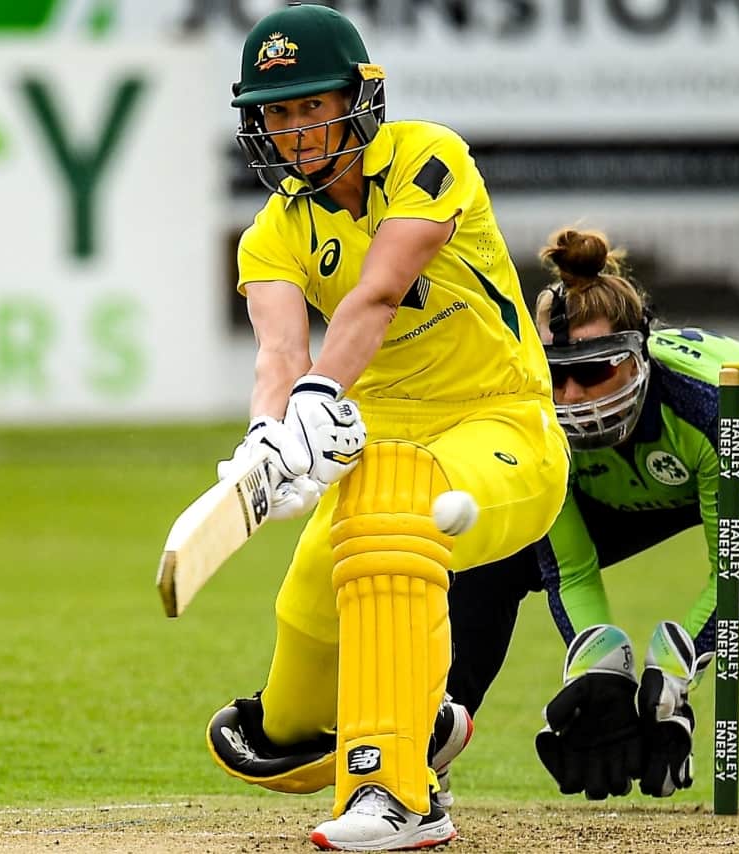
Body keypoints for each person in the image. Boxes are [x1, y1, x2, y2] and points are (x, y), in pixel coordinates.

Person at [203, 4, 570, 849]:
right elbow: (278, 353)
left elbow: (375, 292)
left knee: (391, 517)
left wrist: (320, 395)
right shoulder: (272, 235)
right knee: (287, 725)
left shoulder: (428, 157)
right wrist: (268, 435)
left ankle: (400, 795)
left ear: (361, 96)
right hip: (374, 448)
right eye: (278, 112)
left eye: (311, 105)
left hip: (498, 428)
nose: (295, 130)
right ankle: (420, 718)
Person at [443, 226, 739, 812]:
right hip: (631, 482)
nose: (572, 397)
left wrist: (676, 664)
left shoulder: (704, 404)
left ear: (638, 354)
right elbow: (568, 569)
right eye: (556, 374)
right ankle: (430, 743)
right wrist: (602, 667)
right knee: (491, 551)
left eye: (595, 372)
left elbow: (735, 568)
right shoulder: (537, 423)